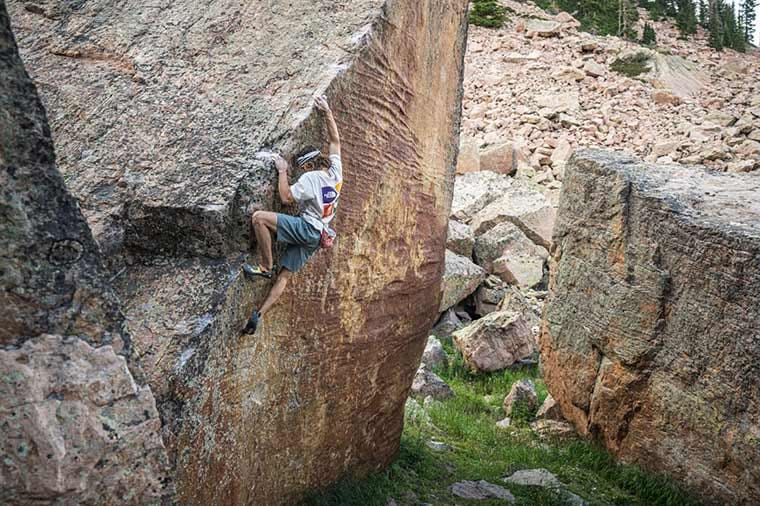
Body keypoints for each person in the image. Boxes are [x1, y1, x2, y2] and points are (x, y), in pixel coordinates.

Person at [242, 95, 342, 334]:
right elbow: (335, 140)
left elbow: (286, 199)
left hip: (307, 228)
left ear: (307, 166)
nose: (300, 171)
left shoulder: (310, 178)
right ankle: (258, 314)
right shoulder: (337, 172)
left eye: (300, 168)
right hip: (317, 237)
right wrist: (327, 111)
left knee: (259, 218)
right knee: (284, 277)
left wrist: (283, 171)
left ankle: (265, 266)